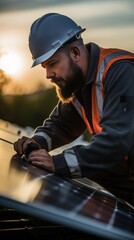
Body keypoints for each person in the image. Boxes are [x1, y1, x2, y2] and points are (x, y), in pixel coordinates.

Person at [14, 13, 134, 206]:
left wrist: (57, 163)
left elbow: (115, 142)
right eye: (44, 67)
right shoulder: (78, 83)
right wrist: (35, 143)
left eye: (52, 64)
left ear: (76, 53)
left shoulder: (121, 72)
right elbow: (61, 125)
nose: (48, 74)